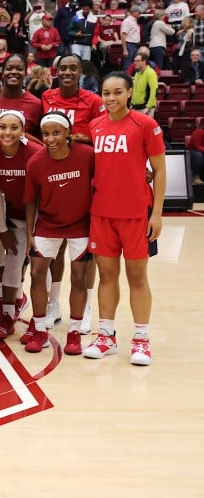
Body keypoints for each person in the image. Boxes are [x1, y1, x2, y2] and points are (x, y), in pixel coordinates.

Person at [85, 72, 166, 366]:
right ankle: (106, 335)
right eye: (106, 93)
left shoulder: (146, 125)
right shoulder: (95, 126)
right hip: (102, 213)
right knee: (106, 275)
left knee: (137, 277)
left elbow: (159, 171)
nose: (111, 98)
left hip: (136, 215)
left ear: (129, 93)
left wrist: (156, 214)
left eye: (117, 92)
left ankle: (142, 339)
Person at [22, 112, 94, 354]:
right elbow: (30, 200)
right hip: (48, 224)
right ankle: (40, 328)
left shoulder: (87, 156)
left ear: (67, 133)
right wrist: (31, 231)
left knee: (79, 277)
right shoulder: (36, 162)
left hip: (80, 225)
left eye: (56, 133)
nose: (50, 138)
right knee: (37, 272)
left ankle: (74, 332)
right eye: (46, 134)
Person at [0, 110, 40, 341]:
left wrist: (31, 233)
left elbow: (35, 198)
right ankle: (7, 317)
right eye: (3, 127)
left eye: (14, 127)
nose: (8, 132)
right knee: (10, 261)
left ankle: (40, 320)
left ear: (23, 130)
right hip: (6, 212)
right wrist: (4, 230)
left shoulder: (34, 153)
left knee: (37, 265)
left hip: (35, 214)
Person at [0, 54, 43, 137]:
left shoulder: (36, 104)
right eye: (9, 68)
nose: (14, 72)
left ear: (25, 73)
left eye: (19, 69)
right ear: (2, 72)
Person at [131, 52, 159, 116]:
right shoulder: (137, 73)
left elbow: (154, 90)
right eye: (134, 61)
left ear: (144, 61)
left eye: (138, 61)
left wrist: (148, 107)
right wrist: (131, 105)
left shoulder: (150, 73)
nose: (135, 63)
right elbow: (135, 90)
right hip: (135, 107)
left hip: (145, 108)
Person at [121, 6, 142, 71]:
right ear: (134, 12)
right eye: (139, 12)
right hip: (129, 45)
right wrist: (125, 49)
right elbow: (123, 35)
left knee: (134, 66)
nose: (140, 14)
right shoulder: (127, 21)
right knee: (127, 66)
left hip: (134, 46)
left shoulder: (133, 21)